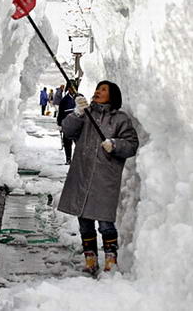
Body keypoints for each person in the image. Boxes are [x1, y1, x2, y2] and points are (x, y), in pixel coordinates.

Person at [58, 81, 139, 274]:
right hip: (83, 174)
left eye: (103, 90)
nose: (98, 92)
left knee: (104, 222)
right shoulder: (86, 114)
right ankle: (90, 260)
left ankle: (111, 259)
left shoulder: (120, 119)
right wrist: (77, 112)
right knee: (84, 221)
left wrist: (115, 144)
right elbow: (67, 131)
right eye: (97, 89)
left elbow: (132, 144)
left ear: (113, 95)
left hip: (105, 177)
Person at [57, 82, 77, 165]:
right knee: (67, 143)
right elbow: (61, 113)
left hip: (78, 125)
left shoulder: (80, 98)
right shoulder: (64, 100)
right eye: (71, 88)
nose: (73, 90)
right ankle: (68, 159)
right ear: (69, 89)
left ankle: (79, 160)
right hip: (68, 125)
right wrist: (60, 123)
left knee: (79, 144)